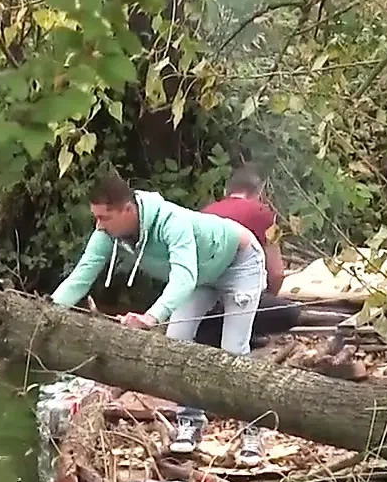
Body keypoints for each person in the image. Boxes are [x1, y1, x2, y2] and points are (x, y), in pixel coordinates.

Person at [49, 172, 270, 466]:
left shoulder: (170, 221)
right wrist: (49, 310)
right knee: (176, 342)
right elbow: (82, 274)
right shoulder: (107, 235)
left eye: (104, 217)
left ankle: (253, 430)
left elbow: (183, 277)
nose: (99, 225)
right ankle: (190, 422)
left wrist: (151, 317)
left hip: (239, 262)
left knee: (233, 349)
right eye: (96, 218)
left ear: (127, 210)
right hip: (201, 276)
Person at [194, 165, 301, 351]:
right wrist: (265, 298)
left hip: (202, 300)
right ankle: (242, 331)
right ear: (259, 193)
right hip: (238, 296)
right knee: (290, 312)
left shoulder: (206, 212)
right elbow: (277, 273)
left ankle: (210, 331)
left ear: (226, 191)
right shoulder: (263, 214)